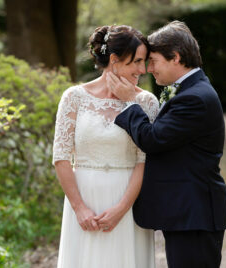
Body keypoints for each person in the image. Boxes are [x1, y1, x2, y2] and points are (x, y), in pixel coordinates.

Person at [107, 21, 226, 268]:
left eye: (153, 60)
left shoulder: (194, 98)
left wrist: (131, 102)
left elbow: (153, 139)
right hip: (186, 212)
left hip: (194, 214)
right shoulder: (190, 91)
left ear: (175, 57)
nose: (148, 69)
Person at [52, 25, 158, 268]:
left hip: (128, 200)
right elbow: (61, 157)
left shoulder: (146, 101)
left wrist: (122, 208)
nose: (143, 70)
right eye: (137, 61)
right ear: (114, 60)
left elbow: (145, 160)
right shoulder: (74, 97)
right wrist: (79, 208)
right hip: (84, 198)